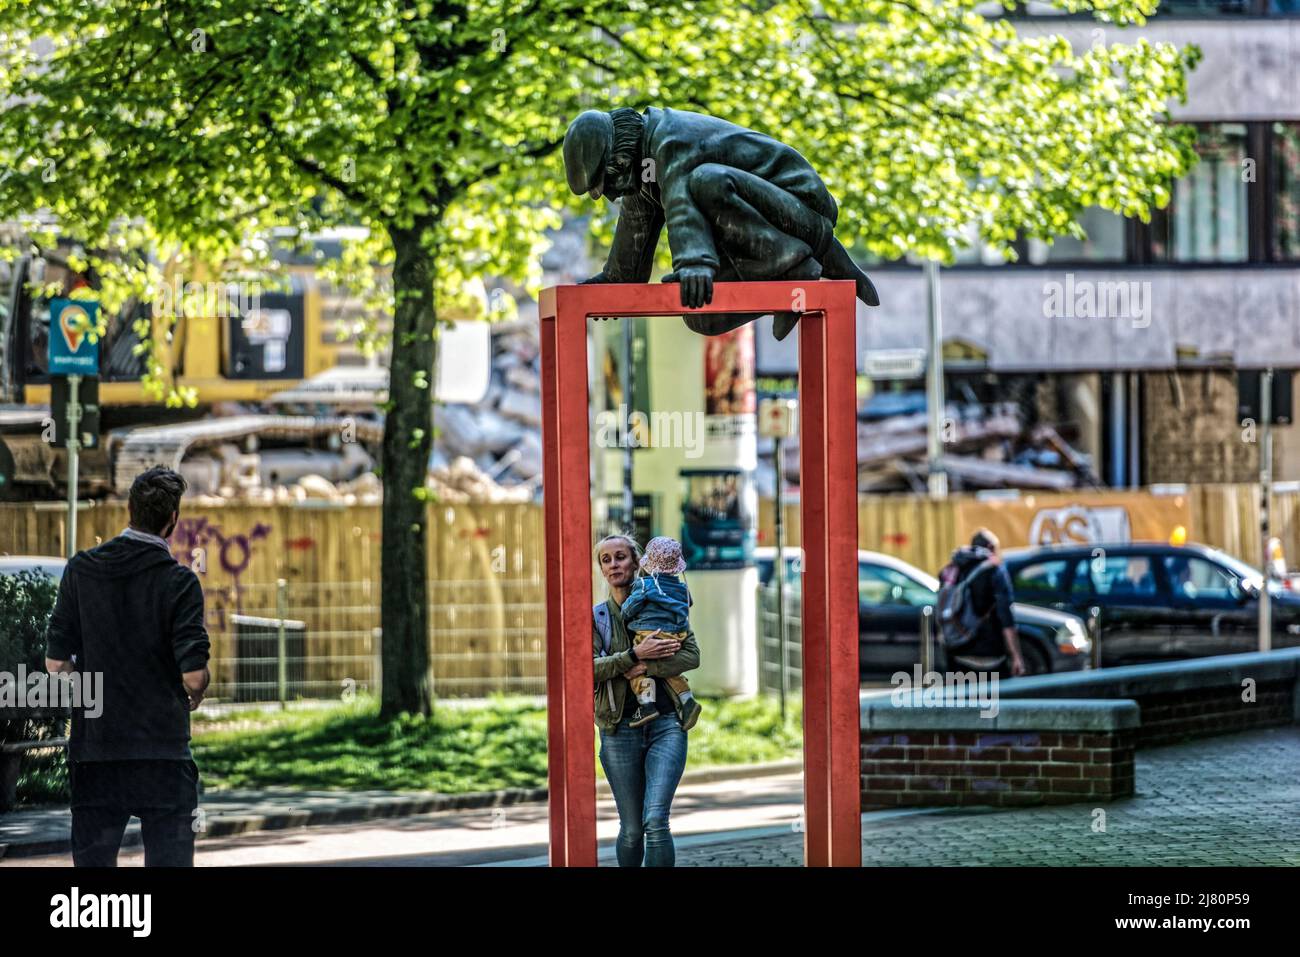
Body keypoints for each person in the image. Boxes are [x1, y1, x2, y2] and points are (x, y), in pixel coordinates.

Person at [563, 106, 880, 341]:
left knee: (706, 182)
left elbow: (681, 204)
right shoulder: (644, 171)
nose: (608, 196)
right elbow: (629, 258)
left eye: (606, 185)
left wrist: (695, 262)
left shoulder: (669, 142)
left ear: (618, 161)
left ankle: (790, 263)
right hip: (771, 227)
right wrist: (609, 285)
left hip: (797, 208)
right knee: (700, 313)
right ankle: (788, 274)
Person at [45, 466, 210, 866]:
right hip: (162, 755)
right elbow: (192, 675)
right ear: (172, 520)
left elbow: (54, 663)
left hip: (96, 753)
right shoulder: (180, 583)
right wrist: (197, 691)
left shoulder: (81, 570)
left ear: (130, 511)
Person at [592, 534, 700, 867]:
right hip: (619, 729)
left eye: (621, 557)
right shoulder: (597, 618)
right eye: (606, 560)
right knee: (632, 829)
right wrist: (631, 656)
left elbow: (691, 655)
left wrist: (645, 665)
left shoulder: (664, 599)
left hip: (667, 724)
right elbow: (586, 669)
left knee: (656, 820)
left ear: (638, 562)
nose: (614, 565)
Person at [619, 536, 703, 730]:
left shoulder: (645, 585)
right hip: (677, 636)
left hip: (650, 633)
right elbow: (688, 602)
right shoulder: (682, 587)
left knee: (637, 672)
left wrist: (628, 609)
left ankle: (647, 705)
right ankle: (688, 700)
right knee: (671, 669)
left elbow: (628, 610)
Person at [944, 528, 1026, 678]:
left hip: (958, 651)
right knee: (993, 699)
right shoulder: (994, 570)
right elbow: (1005, 616)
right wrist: (1016, 657)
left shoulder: (954, 568)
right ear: (990, 547)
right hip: (990, 655)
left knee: (963, 701)